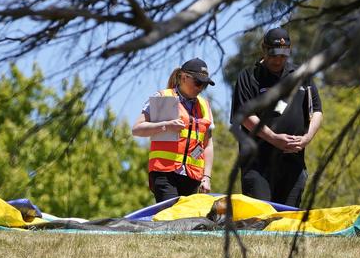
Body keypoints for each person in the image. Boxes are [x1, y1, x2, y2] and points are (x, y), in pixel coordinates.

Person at [230, 27, 323, 207]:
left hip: (293, 163)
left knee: (288, 220)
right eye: (273, 55)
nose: (278, 60)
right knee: (259, 217)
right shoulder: (249, 76)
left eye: (283, 55)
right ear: (264, 49)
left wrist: (307, 138)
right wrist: (273, 138)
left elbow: (317, 111)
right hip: (258, 164)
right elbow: (244, 116)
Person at [132, 58, 215, 203]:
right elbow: (137, 129)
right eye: (198, 82)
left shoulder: (204, 105)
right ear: (184, 77)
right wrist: (166, 126)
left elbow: (207, 145)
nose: (200, 88)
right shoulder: (165, 98)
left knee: (188, 222)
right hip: (165, 172)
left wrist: (206, 177)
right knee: (171, 219)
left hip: (192, 176)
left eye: (204, 85)